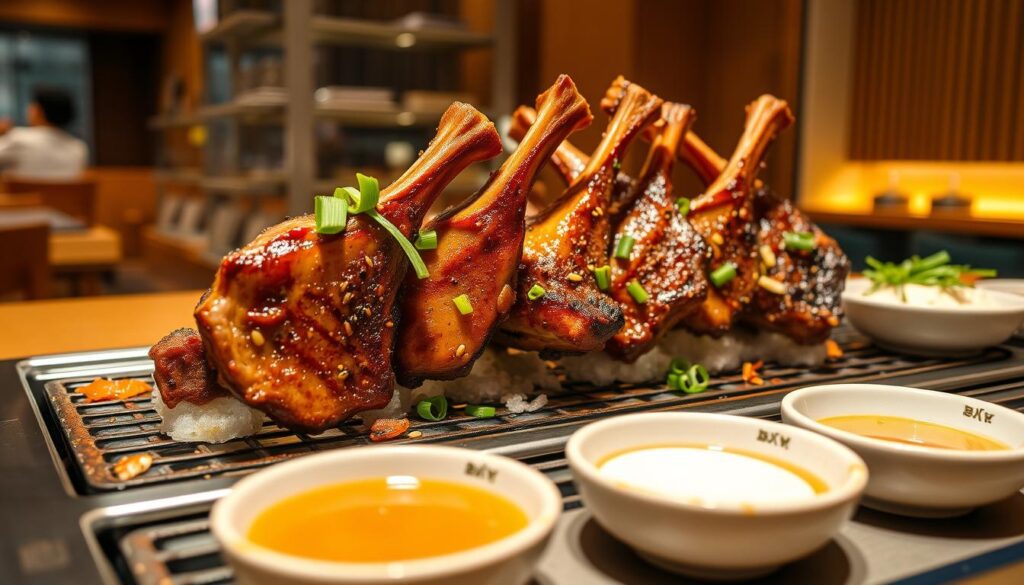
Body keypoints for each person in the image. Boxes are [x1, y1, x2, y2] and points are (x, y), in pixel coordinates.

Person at [0, 86, 88, 179]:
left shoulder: (19, 138)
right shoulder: (79, 148)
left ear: (38, 111)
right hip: (65, 194)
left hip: (26, 193)